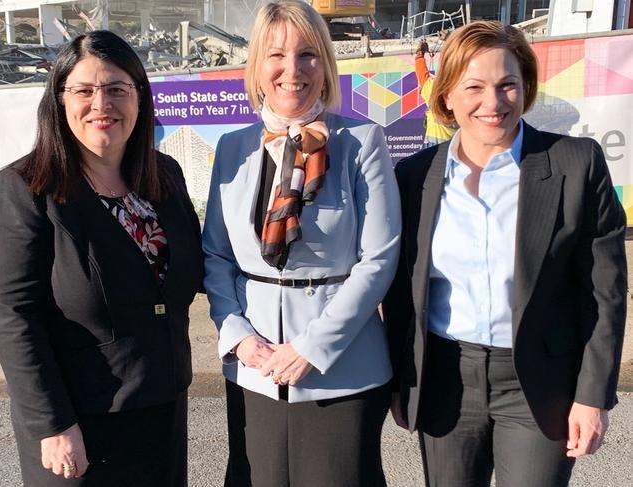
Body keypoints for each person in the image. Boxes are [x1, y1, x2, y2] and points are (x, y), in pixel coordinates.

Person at [384, 21, 626, 487]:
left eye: (507, 85)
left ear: (526, 88)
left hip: (541, 381)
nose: (492, 103)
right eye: (474, 86)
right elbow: (400, 291)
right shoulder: (415, 175)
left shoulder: (577, 165)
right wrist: (401, 381)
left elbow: (604, 293)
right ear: (447, 93)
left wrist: (592, 396)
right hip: (445, 380)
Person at [0, 30, 204, 487]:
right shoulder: (29, 189)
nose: (101, 104)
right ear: (60, 102)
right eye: (83, 90)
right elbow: (12, 315)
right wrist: (53, 424)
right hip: (76, 422)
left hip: (161, 408)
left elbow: (198, 273)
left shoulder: (165, 176)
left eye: (117, 89)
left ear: (139, 99)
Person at [202, 1, 400, 485]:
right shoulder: (232, 147)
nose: (293, 70)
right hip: (255, 372)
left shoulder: (362, 141)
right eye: (277, 55)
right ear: (257, 66)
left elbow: (379, 259)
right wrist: (240, 338)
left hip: (342, 369)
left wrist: (313, 346)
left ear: (326, 64)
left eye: (308, 54)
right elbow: (216, 255)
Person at [414, 37, 456, 148]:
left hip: (433, 149)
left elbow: (421, 73)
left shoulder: (433, 89)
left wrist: (420, 54)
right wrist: (449, 40)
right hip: (457, 148)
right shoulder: (463, 91)